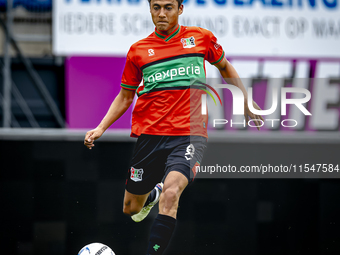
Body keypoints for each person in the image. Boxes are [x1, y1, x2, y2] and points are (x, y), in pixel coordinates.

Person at [84, 0, 264, 253]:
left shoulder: (200, 38)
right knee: (131, 208)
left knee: (172, 194)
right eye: (156, 7)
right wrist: (101, 127)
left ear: (180, 9)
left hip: (190, 134)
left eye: (168, 7)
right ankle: (151, 195)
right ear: (149, 9)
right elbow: (125, 96)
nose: (161, 13)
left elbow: (224, 66)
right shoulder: (138, 51)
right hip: (151, 137)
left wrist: (245, 99)